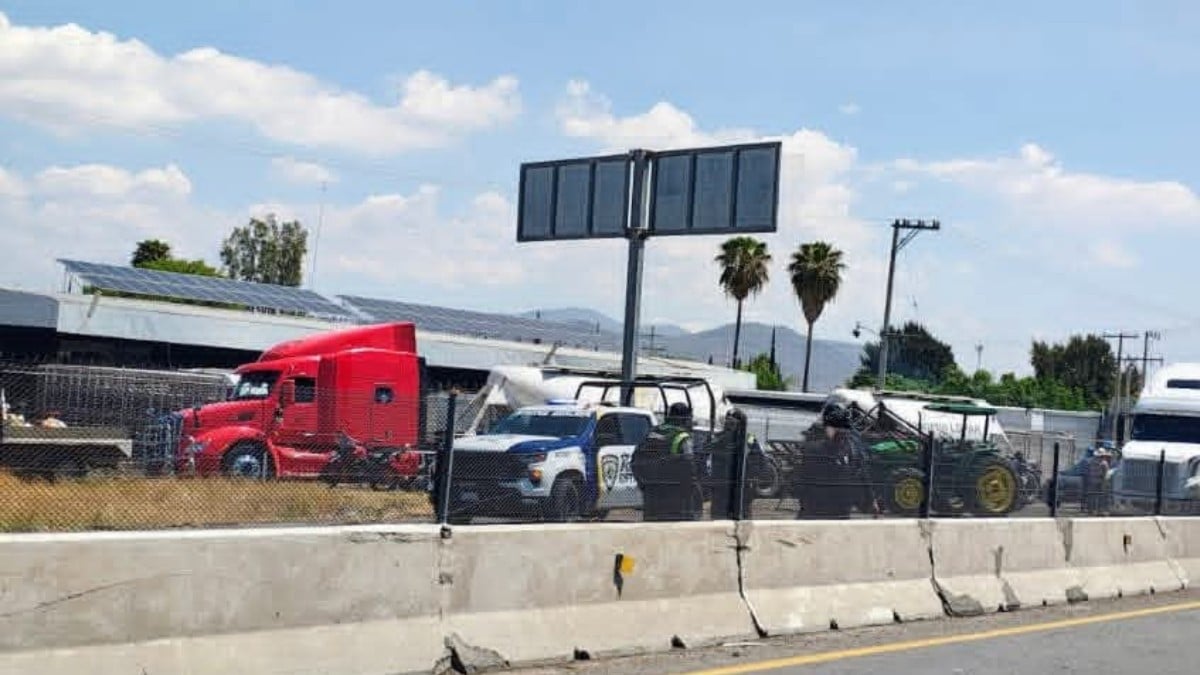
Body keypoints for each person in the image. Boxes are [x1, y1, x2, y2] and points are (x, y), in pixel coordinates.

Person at [797, 403, 873, 519]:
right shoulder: (852, 443)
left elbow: (802, 478)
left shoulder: (815, 444)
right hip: (835, 506)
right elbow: (862, 471)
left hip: (823, 506)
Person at [632, 402, 699, 521]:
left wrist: (643, 483)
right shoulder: (682, 436)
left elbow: (635, 459)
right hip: (674, 495)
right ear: (685, 418)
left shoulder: (653, 432)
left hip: (651, 491)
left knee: (652, 526)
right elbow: (689, 464)